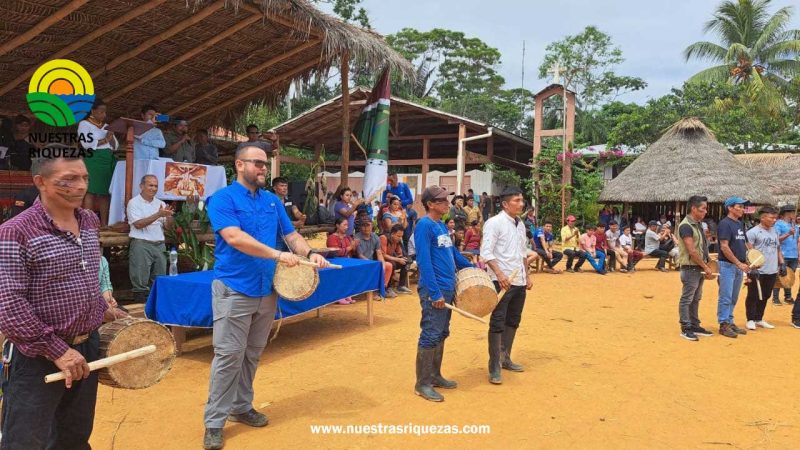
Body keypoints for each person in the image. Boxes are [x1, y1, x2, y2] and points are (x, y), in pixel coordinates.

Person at [202, 145, 329, 449]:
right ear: (239, 165)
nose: (263, 168)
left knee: (252, 353)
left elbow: (292, 236)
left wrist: (309, 251)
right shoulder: (222, 199)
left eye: (265, 164)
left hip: (266, 289)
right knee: (228, 355)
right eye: (257, 163)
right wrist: (277, 254)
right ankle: (214, 422)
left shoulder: (272, 202)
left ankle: (241, 407)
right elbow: (234, 237)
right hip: (235, 288)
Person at [0, 157, 126, 449]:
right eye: (67, 179)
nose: (80, 186)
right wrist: (58, 351)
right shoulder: (15, 231)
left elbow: (82, 279)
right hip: (38, 355)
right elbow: (9, 305)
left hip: (87, 348)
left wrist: (102, 311)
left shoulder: (90, 220)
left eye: (83, 177)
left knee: (74, 435)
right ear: (40, 182)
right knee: (25, 441)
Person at [413, 185, 473, 401]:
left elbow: (453, 254)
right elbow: (424, 261)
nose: (448, 203)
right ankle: (422, 383)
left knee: (441, 332)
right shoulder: (424, 225)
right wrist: (435, 293)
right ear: (430, 204)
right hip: (435, 291)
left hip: (448, 288)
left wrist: (473, 267)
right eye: (442, 201)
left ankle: (435, 375)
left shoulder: (440, 226)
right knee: (430, 332)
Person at [481, 186, 532, 385]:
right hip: (500, 282)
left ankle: (505, 358)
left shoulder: (520, 224)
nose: (521, 203)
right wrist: (500, 275)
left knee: (513, 320)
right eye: (517, 200)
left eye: (522, 200)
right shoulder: (494, 223)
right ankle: (494, 366)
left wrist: (527, 275)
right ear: (504, 204)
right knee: (498, 322)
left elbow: (522, 253)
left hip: (518, 280)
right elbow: (486, 253)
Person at [127, 175, 173, 302]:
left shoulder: (161, 203)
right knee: (140, 283)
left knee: (159, 280)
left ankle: (156, 312)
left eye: (156, 186)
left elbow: (169, 228)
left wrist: (169, 217)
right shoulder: (133, 202)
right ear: (141, 186)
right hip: (141, 244)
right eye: (150, 185)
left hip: (159, 244)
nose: (153, 188)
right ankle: (140, 312)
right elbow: (138, 224)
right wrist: (158, 214)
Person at [676, 195, 715, 341]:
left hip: (697, 267)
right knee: (687, 298)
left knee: (696, 298)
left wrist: (708, 262)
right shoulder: (686, 226)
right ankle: (686, 327)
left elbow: (701, 247)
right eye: (702, 209)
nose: (705, 212)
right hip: (691, 268)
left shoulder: (697, 224)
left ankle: (694, 324)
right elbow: (692, 251)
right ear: (693, 208)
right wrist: (705, 265)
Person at [716, 196, 753, 339]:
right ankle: (723, 323)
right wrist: (738, 263)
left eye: (743, 207)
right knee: (725, 296)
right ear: (730, 208)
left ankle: (730, 321)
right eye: (739, 206)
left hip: (739, 265)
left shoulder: (740, 224)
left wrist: (755, 257)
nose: (742, 209)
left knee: (734, 296)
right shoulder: (725, 224)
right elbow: (724, 247)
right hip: (727, 265)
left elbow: (746, 243)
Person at [78, 99, 117, 227]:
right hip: (93, 159)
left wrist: (110, 137)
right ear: (92, 111)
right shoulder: (84, 124)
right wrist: (106, 139)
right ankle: (88, 225)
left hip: (107, 159)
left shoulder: (106, 126)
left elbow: (115, 145)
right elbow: (85, 144)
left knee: (105, 193)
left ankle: (104, 224)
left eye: (105, 112)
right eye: (101, 111)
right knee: (91, 191)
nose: (104, 115)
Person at [745, 205, 782, 331]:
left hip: (771, 269)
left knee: (766, 295)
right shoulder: (752, 232)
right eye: (772, 217)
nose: (774, 220)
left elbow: (777, 248)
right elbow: (748, 251)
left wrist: (781, 263)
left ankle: (759, 318)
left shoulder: (775, 231)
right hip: (757, 270)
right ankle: (750, 319)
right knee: (753, 294)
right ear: (763, 217)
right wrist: (752, 268)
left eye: (775, 218)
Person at [354, 218, 395, 298]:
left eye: (368, 225)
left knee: (388, 266)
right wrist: (373, 264)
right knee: (374, 268)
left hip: (372, 262)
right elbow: (360, 255)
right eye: (364, 226)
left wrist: (382, 264)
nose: (366, 228)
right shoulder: (357, 238)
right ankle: (373, 292)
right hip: (360, 263)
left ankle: (382, 289)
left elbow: (379, 253)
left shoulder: (375, 237)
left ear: (372, 226)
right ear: (360, 227)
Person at [327, 217, 358, 305]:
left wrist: (355, 246)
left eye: (347, 225)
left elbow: (352, 251)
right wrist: (350, 247)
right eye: (344, 225)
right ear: (337, 225)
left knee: (351, 273)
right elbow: (336, 252)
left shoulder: (347, 237)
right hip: (336, 262)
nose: (346, 227)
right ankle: (340, 296)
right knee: (341, 273)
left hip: (347, 261)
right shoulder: (332, 238)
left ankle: (347, 294)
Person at [382, 173, 418, 246]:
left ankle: (407, 250)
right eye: (388, 180)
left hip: (404, 211)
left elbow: (410, 200)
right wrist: (390, 200)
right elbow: (383, 202)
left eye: (391, 180)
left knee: (406, 233)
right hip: (392, 214)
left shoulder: (404, 186)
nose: (389, 182)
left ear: (396, 179)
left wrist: (399, 202)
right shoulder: (387, 188)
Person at [773, 205, 797, 306]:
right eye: (792, 212)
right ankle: (775, 297)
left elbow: (797, 240)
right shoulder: (778, 224)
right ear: (786, 213)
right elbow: (776, 239)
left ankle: (788, 297)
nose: (794, 215)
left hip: (794, 255)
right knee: (780, 276)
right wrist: (788, 234)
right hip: (782, 254)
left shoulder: (794, 225)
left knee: (789, 277)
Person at [381, 224, 412, 295]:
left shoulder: (397, 241)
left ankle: (401, 286)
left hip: (391, 259)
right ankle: (388, 287)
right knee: (393, 264)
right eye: (398, 236)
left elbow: (399, 254)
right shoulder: (384, 238)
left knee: (406, 261)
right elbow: (383, 255)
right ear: (392, 233)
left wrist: (402, 258)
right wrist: (397, 259)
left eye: (401, 236)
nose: (400, 238)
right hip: (381, 261)